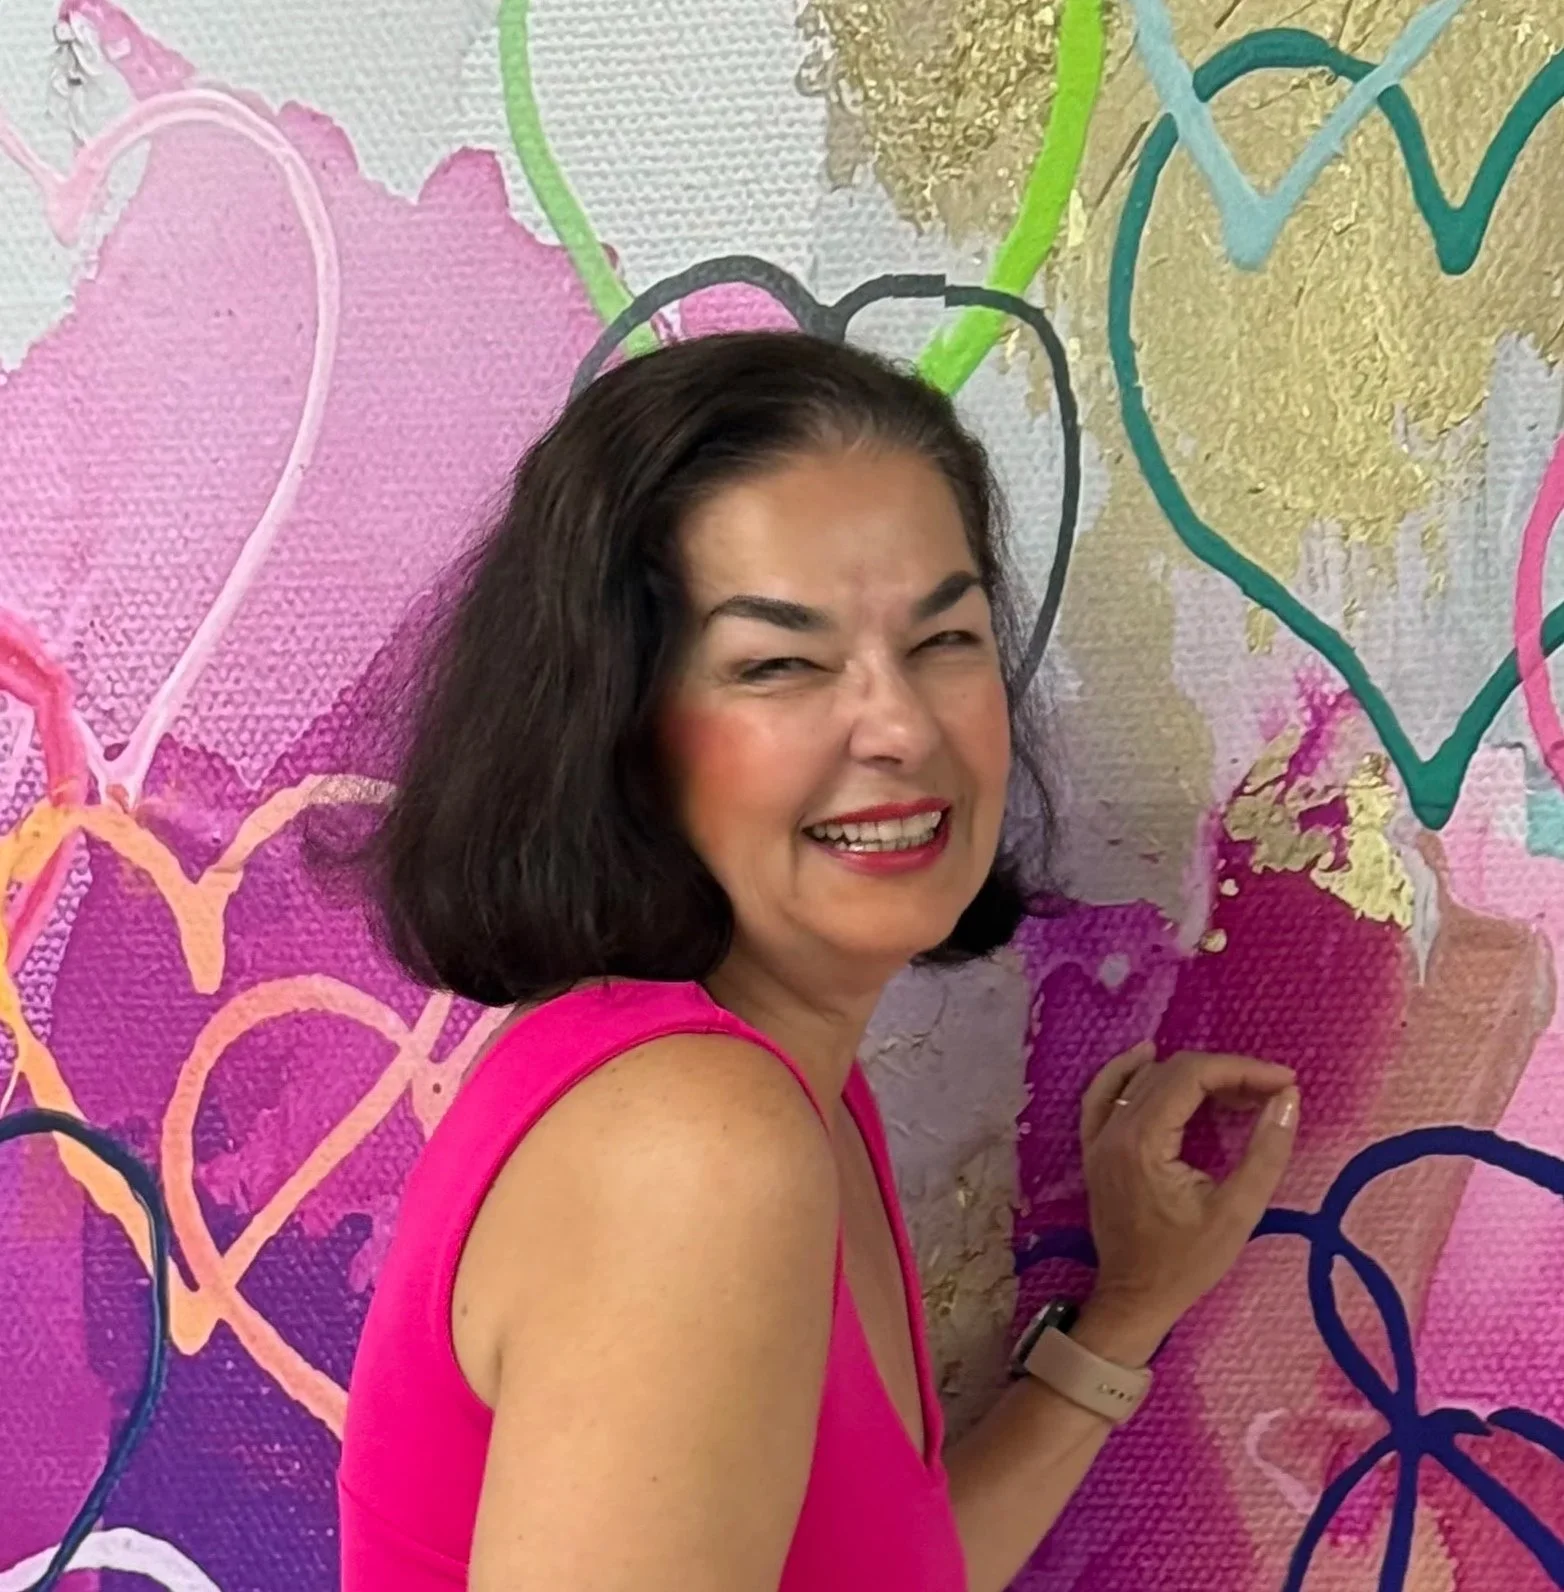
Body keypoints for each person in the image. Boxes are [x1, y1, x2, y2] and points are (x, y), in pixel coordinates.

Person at [334, 331, 1300, 1592]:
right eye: (779, 663)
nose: (898, 724)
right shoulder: (695, 1145)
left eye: (944, 639)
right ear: (621, 732)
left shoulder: (771, 1083)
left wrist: (1122, 1316)